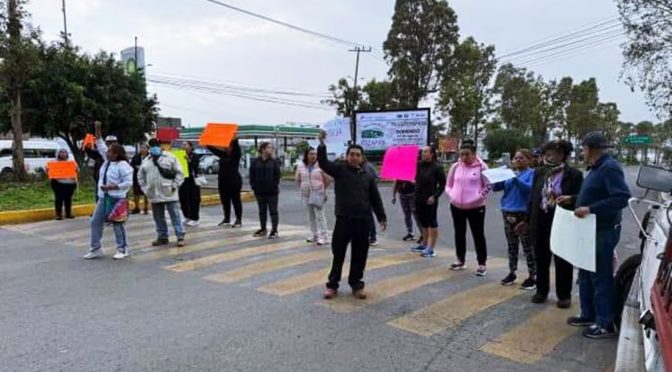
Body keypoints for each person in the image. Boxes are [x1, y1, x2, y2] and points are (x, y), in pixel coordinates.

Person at [567, 132, 631, 339]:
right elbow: (594, 194)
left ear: (591, 148)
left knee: (601, 276)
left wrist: (590, 209)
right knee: (585, 273)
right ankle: (589, 314)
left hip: (603, 230)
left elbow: (621, 198)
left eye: (584, 148)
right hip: (590, 230)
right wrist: (573, 199)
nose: (582, 152)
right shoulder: (597, 168)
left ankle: (605, 323)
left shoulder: (610, 167)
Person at [317, 131, 387, 300]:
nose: (354, 157)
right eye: (352, 154)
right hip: (343, 220)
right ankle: (332, 285)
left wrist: (381, 217)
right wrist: (321, 144)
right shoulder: (340, 169)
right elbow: (324, 163)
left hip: (363, 221)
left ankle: (357, 285)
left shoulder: (368, 175)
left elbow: (375, 198)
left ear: (362, 158)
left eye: (357, 155)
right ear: (347, 156)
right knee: (338, 254)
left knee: (360, 255)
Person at [526, 140, 583, 308]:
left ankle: (564, 295)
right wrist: (527, 220)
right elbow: (533, 197)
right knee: (541, 257)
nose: (547, 156)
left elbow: (581, 197)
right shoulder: (539, 172)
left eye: (552, 153)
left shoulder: (574, 174)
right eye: (546, 153)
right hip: (541, 218)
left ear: (563, 155)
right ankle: (541, 291)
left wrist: (570, 199)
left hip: (562, 219)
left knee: (562, 259)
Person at [492, 149, 536, 290]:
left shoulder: (532, 174)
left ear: (529, 160)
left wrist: (515, 179)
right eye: (516, 158)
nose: (517, 160)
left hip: (522, 213)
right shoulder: (510, 175)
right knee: (512, 245)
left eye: (521, 158)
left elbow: (528, 189)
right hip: (508, 211)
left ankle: (532, 275)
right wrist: (497, 177)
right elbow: (497, 187)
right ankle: (512, 272)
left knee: (527, 246)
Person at [446, 140, 491, 276]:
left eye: (467, 154)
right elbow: (448, 185)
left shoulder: (482, 167)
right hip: (456, 206)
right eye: (461, 155)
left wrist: (477, 197)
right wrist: (452, 195)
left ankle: (481, 263)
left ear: (474, 154)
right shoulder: (455, 166)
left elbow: (488, 186)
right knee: (459, 233)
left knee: (478, 235)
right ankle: (460, 259)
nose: (464, 158)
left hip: (476, 207)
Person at [84, 144, 134, 260]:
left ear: (116, 154)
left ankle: (122, 249)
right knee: (95, 221)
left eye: (110, 151)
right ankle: (96, 249)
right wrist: (97, 130)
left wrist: (114, 187)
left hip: (117, 198)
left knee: (118, 224)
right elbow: (101, 145)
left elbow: (128, 183)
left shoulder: (123, 165)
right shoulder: (107, 162)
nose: (107, 153)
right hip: (103, 198)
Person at [138, 138, 186, 247]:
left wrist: (175, 185)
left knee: (175, 215)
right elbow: (140, 176)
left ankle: (180, 236)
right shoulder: (146, 161)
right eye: (152, 145)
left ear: (159, 146)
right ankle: (162, 237)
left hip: (169, 192)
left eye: (156, 145)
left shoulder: (170, 157)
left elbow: (180, 173)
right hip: (154, 193)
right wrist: (145, 189)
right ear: (149, 148)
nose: (154, 147)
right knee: (158, 217)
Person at [411, 146, 446, 258]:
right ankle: (424, 244)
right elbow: (416, 179)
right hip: (418, 198)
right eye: (422, 152)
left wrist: (435, 197)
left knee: (432, 222)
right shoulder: (418, 165)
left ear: (431, 154)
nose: (423, 154)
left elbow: (442, 185)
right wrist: (413, 181)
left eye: (426, 152)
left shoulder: (437, 168)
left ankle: (431, 248)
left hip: (430, 199)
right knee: (423, 222)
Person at [295, 147, 330, 245]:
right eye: (311, 154)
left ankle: (325, 236)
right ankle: (315, 235)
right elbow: (297, 179)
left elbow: (328, 179)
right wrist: (302, 187)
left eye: (315, 154)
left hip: (318, 193)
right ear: (306, 155)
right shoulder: (301, 166)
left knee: (320, 215)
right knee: (311, 216)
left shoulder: (320, 165)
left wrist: (323, 189)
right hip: (306, 193)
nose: (313, 156)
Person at [208, 139, 243, 228]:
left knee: (236, 201)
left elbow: (236, 147)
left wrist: (234, 139)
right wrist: (207, 144)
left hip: (234, 182)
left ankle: (238, 219)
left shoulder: (236, 155)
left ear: (231, 147)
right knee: (225, 201)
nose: (225, 148)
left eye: (228, 146)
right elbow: (214, 150)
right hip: (223, 182)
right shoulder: (223, 155)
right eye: (225, 147)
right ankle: (226, 218)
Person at [249, 142, 281, 239]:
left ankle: (274, 230)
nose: (271, 149)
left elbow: (277, 176)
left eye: (271, 148)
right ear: (263, 149)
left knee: (273, 211)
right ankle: (263, 229)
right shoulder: (255, 162)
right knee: (262, 211)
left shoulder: (274, 162)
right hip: (259, 191)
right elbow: (251, 175)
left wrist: (273, 185)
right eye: (269, 147)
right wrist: (254, 186)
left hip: (272, 192)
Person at [47, 149, 78, 220]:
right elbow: (49, 171)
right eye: (61, 152)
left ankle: (68, 213)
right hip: (58, 183)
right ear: (58, 154)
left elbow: (77, 170)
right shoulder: (54, 163)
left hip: (70, 184)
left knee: (68, 199)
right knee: (59, 199)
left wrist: (76, 169)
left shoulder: (72, 163)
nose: (63, 154)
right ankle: (58, 214)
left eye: (65, 152)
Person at [178, 141, 202, 227]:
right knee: (183, 199)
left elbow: (195, 166)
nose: (183, 146)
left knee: (193, 200)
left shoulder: (194, 156)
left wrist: (188, 160)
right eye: (182, 144)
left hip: (192, 181)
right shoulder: (180, 155)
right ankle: (187, 216)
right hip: (183, 180)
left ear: (190, 146)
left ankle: (195, 218)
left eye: (185, 144)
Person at [363, 158, 380, 246]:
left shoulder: (368, 167)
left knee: (369, 216)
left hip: (369, 195)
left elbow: (377, 178)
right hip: (360, 196)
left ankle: (373, 237)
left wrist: (370, 186)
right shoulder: (357, 167)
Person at [130, 143, 149, 214]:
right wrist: (136, 167)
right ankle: (136, 208)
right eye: (141, 148)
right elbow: (131, 165)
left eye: (144, 148)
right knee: (136, 193)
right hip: (137, 178)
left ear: (147, 149)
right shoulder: (136, 157)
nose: (142, 149)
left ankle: (146, 208)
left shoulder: (150, 157)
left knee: (146, 193)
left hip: (147, 178)